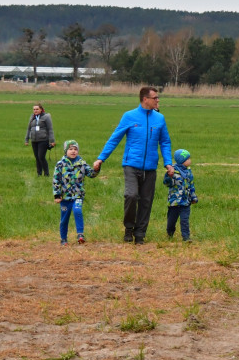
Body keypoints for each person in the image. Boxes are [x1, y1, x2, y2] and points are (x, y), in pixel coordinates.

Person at [92, 86, 174, 244]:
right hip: (131, 164)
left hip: (150, 167)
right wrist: (101, 158)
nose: (158, 100)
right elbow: (115, 138)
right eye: (155, 97)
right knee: (131, 195)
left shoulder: (160, 118)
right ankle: (129, 228)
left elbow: (165, 142)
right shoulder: (129, 116)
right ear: (145, 99)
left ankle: (140, 234)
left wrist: (168, 163)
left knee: (146, 201)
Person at [53, 140, 98, 245]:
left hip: (78, 195)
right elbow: (56, 180)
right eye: (70, 149)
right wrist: (57, 195)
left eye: (75, 149)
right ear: (65, 151)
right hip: (65, 197)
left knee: (77, 210)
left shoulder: (82, 163)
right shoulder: (60, 164)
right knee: (64, 218)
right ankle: (63, 239)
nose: (73, 151)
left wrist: (96, 169)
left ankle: (80, 234)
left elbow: (91, 174)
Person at [164, 149, 198, 242]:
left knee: (185, 220)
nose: (190, 160)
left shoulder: (188, 172)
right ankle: (170, 233)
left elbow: (191, 186)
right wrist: (168, 176)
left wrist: (193, 197)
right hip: (174, 202)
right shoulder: (173, 171)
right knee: (171, 221)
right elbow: (167, 183)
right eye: (188, 159)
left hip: (185, 202)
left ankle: (186, 237)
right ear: (182, 161)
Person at [25, 103, 55, 176]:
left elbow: (50, 129)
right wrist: (26, 140)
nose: (35, 111)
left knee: (41, 156)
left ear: (41, 109)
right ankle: (39, 173)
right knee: (37, 157)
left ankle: (46, 173)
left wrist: (52, 141)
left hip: (43, 140)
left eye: (37, 109)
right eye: (34, 109)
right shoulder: (32, 117)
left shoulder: (46, 117)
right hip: (34, 140)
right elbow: (29, 128)